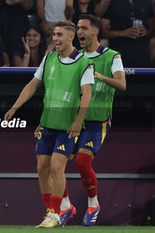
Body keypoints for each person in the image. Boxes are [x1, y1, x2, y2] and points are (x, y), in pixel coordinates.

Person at [4, 20, 94, 228]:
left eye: (60, 35)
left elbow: (86, 94)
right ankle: (52, 211)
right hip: (47, 124)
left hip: (68, 127)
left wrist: (79, 121)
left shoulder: (84, 63)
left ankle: (55, 214)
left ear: (71, 37)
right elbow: (33, 84)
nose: (55, 39)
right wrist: (15, 107)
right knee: (42, 167)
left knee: (56, 166)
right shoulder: (49, 59)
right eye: (54, 35)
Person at [59, 14, 126, 227]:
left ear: (95, 31)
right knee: (54, 163)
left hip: (97, 120)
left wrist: (100, 77)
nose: (79, 32)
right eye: (78, 28)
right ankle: (65, 205)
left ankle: (93, 203)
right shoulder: (74, 57)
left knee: (81, 161)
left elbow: (122, 84)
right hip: (71, 118)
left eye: (84, 28)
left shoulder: (112, 56)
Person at [100, 0, 155, 68]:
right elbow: (103, 32)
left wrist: (147, 31)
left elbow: (152, 27)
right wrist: (123, 33)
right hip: (119, 51)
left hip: (142, 52)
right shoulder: (111, 2)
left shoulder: (146, 2)